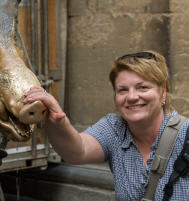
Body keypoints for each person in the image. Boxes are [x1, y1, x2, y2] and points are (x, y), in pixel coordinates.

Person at [24, 51, 189, 201]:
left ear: (163, 92)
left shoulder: (185, 135)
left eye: (143, 87)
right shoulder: (114, 128)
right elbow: (77, 150)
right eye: (122, 90)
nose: (131, 97)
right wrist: (57, 118)